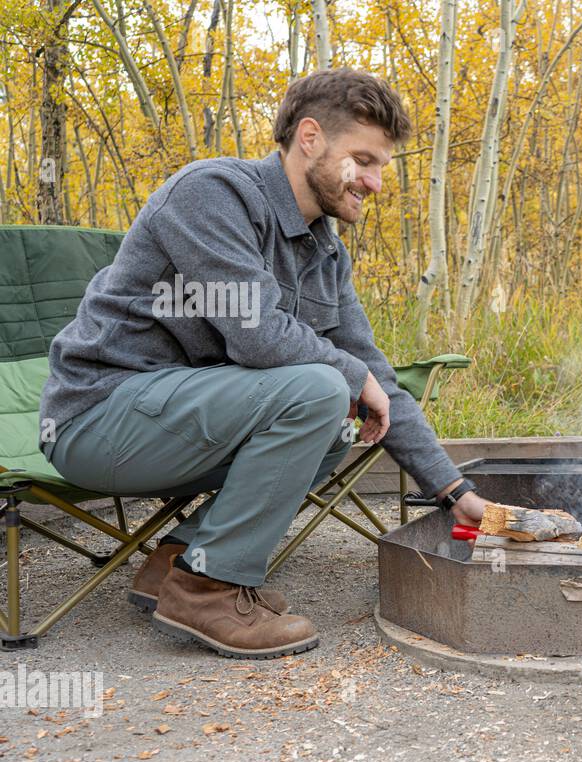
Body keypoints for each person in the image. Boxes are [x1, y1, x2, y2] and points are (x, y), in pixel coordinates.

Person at [38, 68, 486, 659]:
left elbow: (372, 370)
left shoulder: (324, 253)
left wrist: (455, 491)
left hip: (178, 424)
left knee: (338, 418)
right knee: (322, 390)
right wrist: (355, 379)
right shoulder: (211, 194)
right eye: (363, 160)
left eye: (381, 167)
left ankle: (178, 563)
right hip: (99, 419)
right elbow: (258, 336)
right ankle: (210, 589)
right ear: (309, 138)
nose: (375, 182)